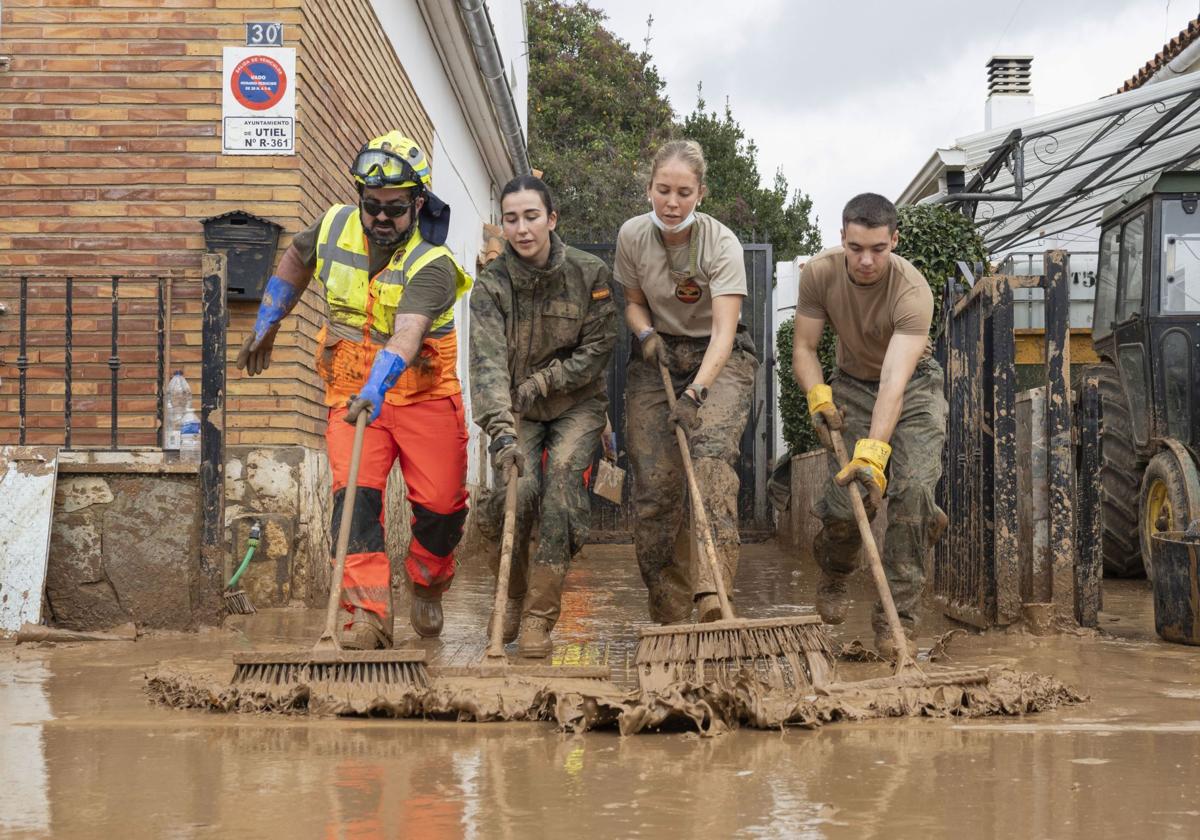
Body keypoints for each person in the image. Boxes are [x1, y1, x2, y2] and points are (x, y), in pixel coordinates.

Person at [237, 131, 472, 649]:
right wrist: (269, 322)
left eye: (394, 208)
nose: (381, 218)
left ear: (418, 203)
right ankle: (366, 616)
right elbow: (297, 258)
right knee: (355, 507)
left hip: (422, 397)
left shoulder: (433, 263)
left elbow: (408, 332)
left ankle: (427, 582)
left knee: (442, 509)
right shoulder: (335, 226)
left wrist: (379, 384)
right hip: (350, 397)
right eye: (372, 206)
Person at [792, 192, 948, 660]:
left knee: (914, 492)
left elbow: (894, 386)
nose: (865, 260)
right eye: (856, 247)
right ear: (842, 237)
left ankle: (897, 622)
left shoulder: (913, 291)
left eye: (878, 249)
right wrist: (818, 395)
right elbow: (804, 348)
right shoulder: (819, 274)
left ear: (894, 241)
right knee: (845, 505)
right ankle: (836, 572)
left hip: (913, 386)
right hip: (852, 384)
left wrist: (873, 454)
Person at [469, 175, 617, 657]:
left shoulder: (589, 272)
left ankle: (539, 615)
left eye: (532, 216)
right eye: (511, 219)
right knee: (517, 489)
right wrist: (500, 433)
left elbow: (599, 349)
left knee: (560, 493)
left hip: (578, 404)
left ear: (551, 219)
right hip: (517, 409)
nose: (522, 228)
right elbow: (487, 364)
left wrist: (545, 380)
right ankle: (511, 595)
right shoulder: (491, 286)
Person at [614, 139, 758, 625]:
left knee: (711, 460)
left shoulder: (722, 244)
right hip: (657, 356)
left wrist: (697, 392)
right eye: (662, 191)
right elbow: (633, 301)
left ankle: (713, 597)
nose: (671, 203)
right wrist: (646, 332)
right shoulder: (632, 236)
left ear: (700, 193)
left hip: (719, 358)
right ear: (649, 187)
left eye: (683, 192)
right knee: (655, 484)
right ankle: (670, 611)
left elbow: (723, 331)